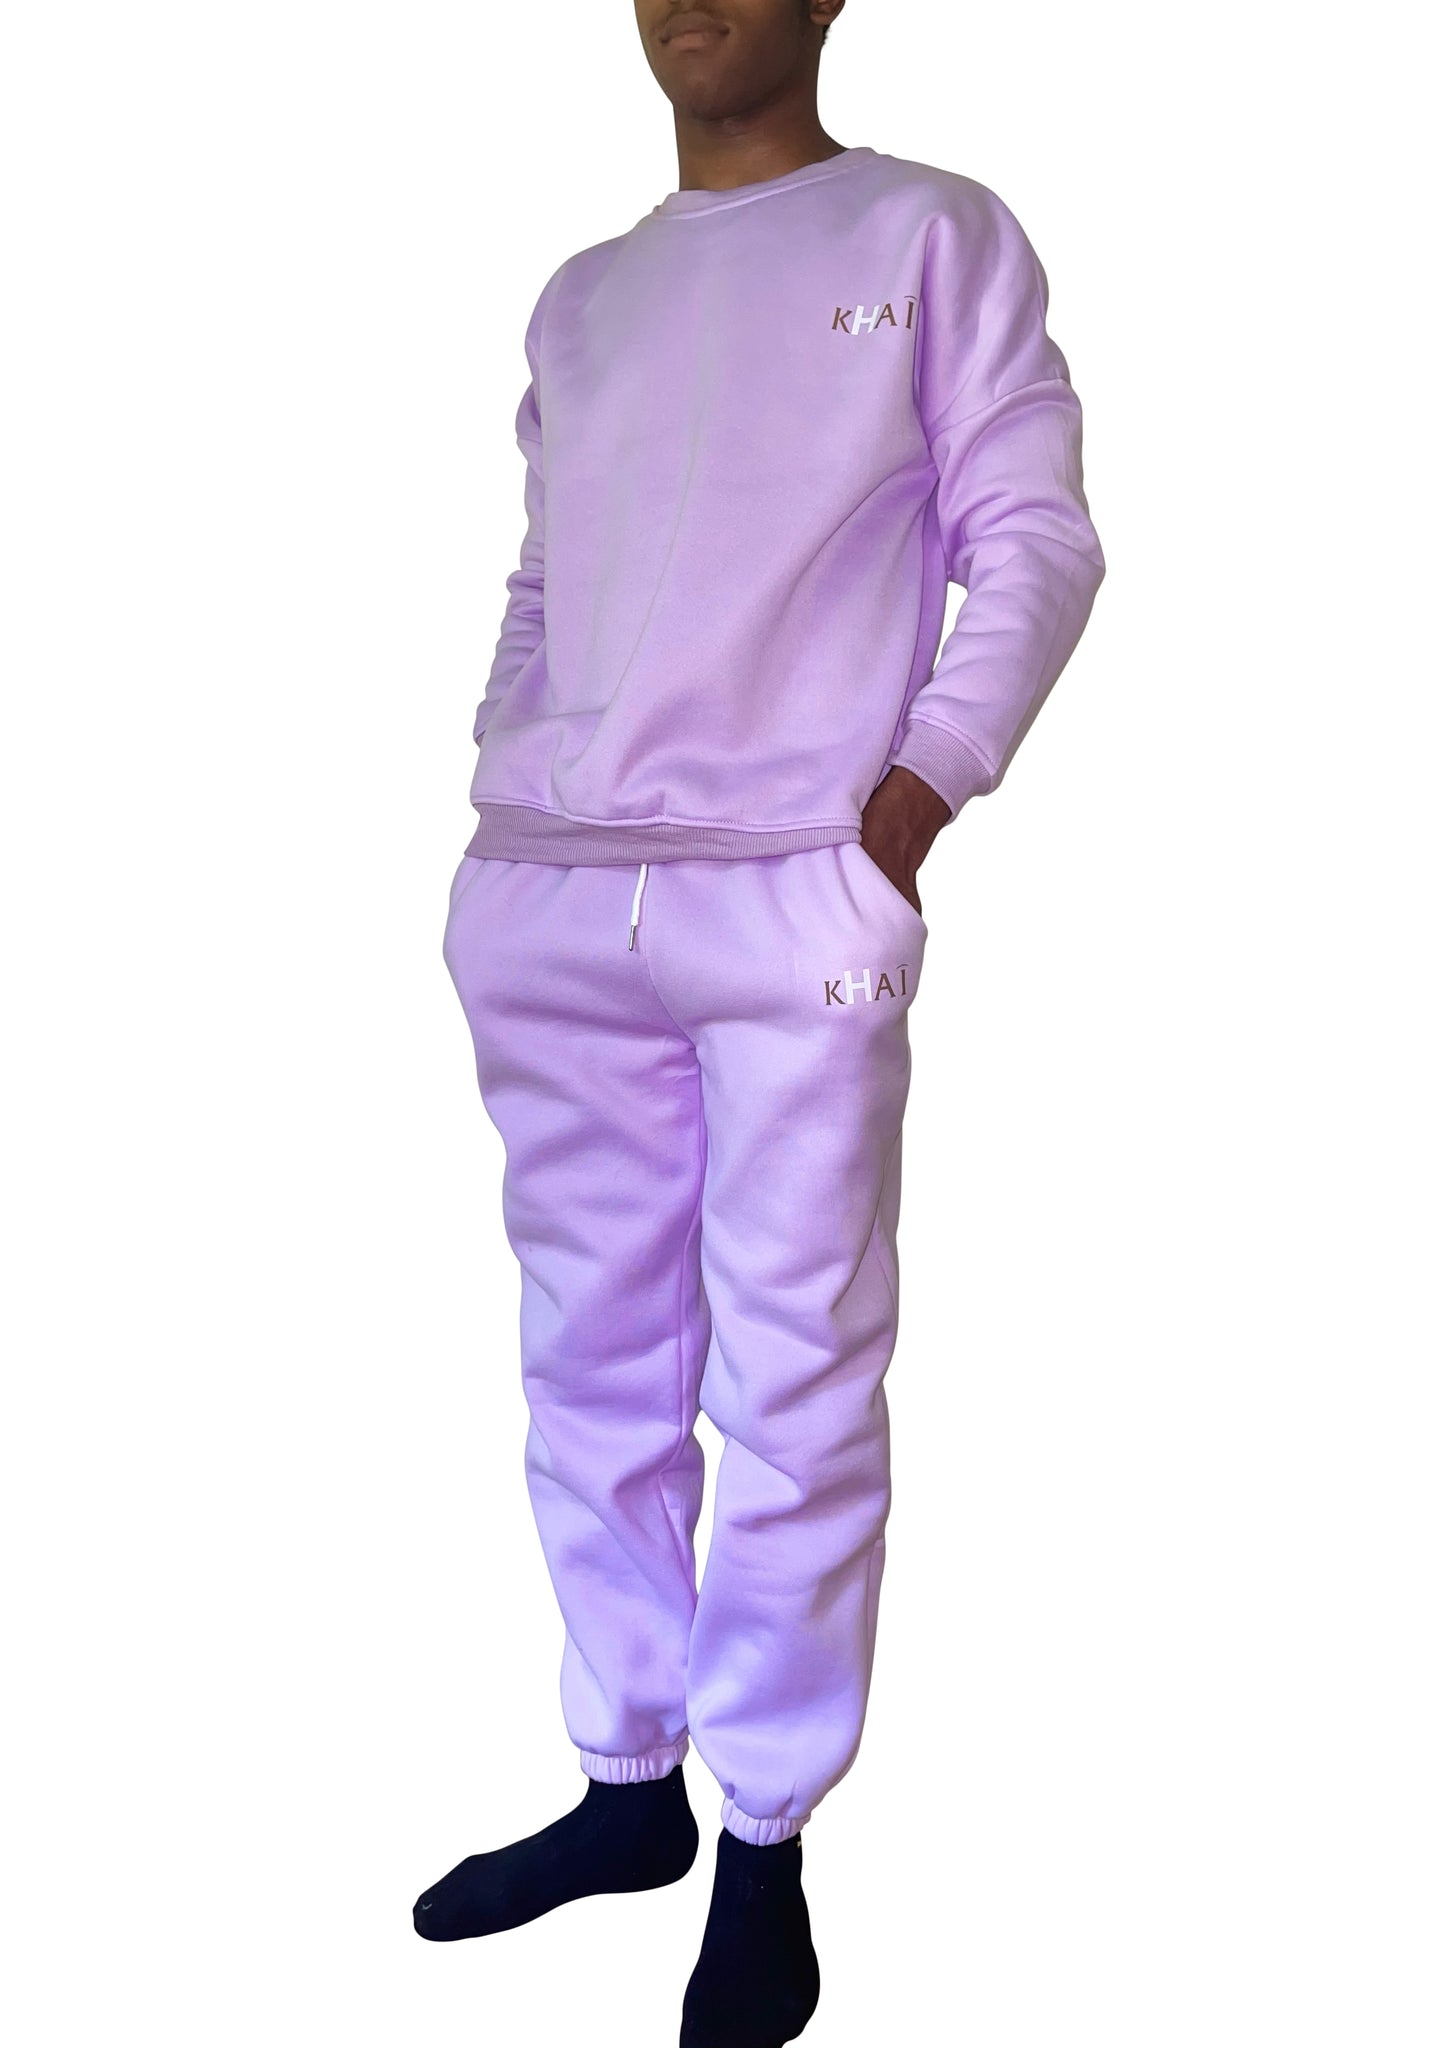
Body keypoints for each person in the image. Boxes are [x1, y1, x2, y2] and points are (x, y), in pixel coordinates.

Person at [415, 3, 1105, 2041]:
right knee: (588, 1356)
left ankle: (765, 1838)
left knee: (795, 1368)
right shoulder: (585, 297)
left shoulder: (928, 236)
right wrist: (508, 767)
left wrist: (916, 792)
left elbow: (1035, 534)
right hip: (554, 885)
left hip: (793, 885)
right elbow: (545, 578)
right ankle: (625, 1780)